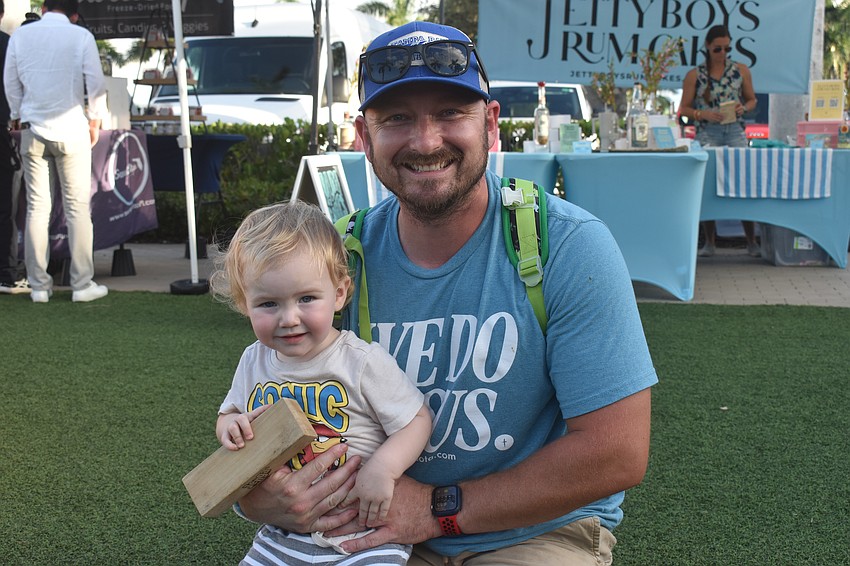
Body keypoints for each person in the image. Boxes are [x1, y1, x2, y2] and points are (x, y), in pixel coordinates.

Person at [236, 21, 657, 565]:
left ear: (491, 124)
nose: (426, 141)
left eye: (450, 114)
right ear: (364, 137)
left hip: (529, 534)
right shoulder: (338, 261)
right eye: (397, 119)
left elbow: (616, 453)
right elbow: (265, 407)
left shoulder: (568, 245)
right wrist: (260, 501)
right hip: (371, 531)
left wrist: (437, 508)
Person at [210, 200, 432, 565]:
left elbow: (417, 419)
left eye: (307, 298)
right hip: (284, 533)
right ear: (243, 303)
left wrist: (384, 468)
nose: (289, 318)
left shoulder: (360, 361)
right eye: (268, 304)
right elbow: (230, 413)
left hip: (363, 530)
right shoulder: (254, 360)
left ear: (340, 293)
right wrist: (229, 426)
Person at [3, 0, 108, 303]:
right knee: (77, 209)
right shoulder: (81, 36)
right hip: (72, 128)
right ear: (74, 14)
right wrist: (95, 120)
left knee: (37, 207)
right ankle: (82, 284)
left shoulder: (22, 36)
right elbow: (96, 84)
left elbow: (10, 80)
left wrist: (16, 112)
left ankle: (38, 286)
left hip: (33, 128)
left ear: (45, 8)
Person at [680, 24, 760, 258]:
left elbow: (752, 100)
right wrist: (701, 114)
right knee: (708, 183)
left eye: (727, 48)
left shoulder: (741, 70)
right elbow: (683, 109)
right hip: (707, 131)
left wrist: (742, 107)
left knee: (744, 181)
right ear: (708, 46)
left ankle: (751, 241)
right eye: (718, 49)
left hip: (734, 129)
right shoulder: (695, 75)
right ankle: (710, 241)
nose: (723, 53)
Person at [0, 0, 29, 295]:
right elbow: (17, 86)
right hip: (4, 132)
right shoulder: (9, 45)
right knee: (6, 205)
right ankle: (7, 273)